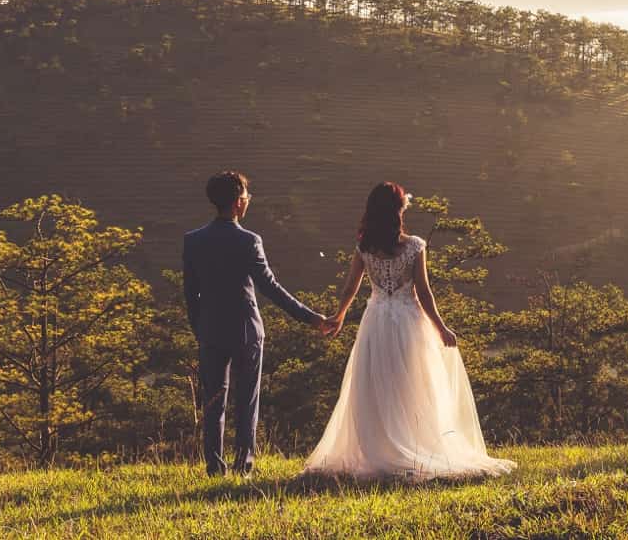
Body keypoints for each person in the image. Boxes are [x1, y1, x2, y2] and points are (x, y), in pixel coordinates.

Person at [303, 181, 515, 481]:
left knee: (376, 384)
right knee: (412, 383)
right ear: (399, 210)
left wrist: (339, 316)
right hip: (408, 321)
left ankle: (380, 448)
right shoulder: (414, 246)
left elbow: (351, 286)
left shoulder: (364, 247)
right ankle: (413, 444)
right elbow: (423, 292)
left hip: (375, 320)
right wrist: (440, 327)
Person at [183, 170, 330, 477]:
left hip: (210, 330)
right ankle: (243, 466)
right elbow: (270, 287)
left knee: (213, 402)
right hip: (246, 330)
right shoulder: (249, 241)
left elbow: (190, 294)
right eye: (247, 196)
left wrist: (200, 330)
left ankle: (214, 466)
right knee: (247, 401)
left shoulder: (193, 241)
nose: (248, 201)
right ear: (238, 203)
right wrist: (310, 318)